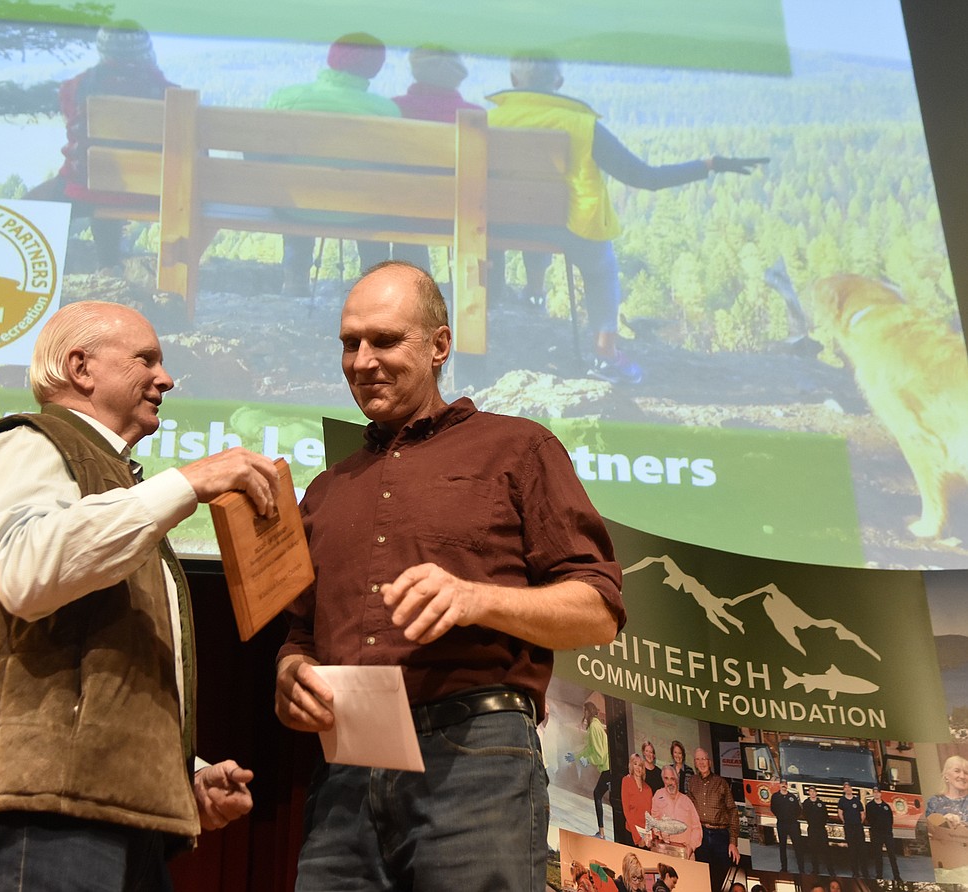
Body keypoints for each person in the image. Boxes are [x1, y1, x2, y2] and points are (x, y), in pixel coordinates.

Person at [0, 300, 281, 890]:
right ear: (81, 368)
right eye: (145, 359)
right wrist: (187, 483)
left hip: (110, 807)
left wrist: (181, 773)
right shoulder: (30, 443)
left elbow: (101, 672)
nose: (166, 378)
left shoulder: (117, 484)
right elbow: (27, 572)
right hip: (42, 807)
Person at [274, 260, 626, 890]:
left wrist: (474, 598)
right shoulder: (327, 489)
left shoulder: (519, 449)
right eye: (349, 343)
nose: (361, 360)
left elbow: (597, 608)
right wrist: (290, 672)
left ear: (439, 346)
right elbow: (303, 633)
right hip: (348, 767)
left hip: (476, 755)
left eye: (384, 340)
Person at [487, 52, 767, 384]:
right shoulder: (583, 126)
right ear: (558, 84)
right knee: (601, 268)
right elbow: (644, 177)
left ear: (514, 82)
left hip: (501, 222)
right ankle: (605, 357)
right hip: (569, 226)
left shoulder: (487, 121)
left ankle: (530, 297)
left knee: (528, 208)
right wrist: (708, 165)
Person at [27, 24, 176, 272]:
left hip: (87, 188)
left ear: (103, 51)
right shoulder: (168, 93)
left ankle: (46, 273)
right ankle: (110, 266)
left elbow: (72, 124)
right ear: (146, 51)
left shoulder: (76, 87)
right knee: (111, 184)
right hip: (152, 193)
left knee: (77, 191)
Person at [266, 33, 400, 296]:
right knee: (377, 199)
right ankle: (373, 285)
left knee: (296, 189)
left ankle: (295, 278)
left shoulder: (286, 99)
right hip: (364, 211)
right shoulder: (386, 110)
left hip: (295, 207)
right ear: (374, 68)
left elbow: (260, 157)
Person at [388, 45, 485, 272]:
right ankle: (493, 291)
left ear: (415, 71)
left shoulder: (394, 109)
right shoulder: (476, 116)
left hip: (400, 211)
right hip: (462, 214)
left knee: (406, 201)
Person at [686, 747, 740, 890]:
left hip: (720, 836)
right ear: (695, 763)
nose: (701, 762)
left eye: (704, 759)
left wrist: (733, 842)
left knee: (721, 878)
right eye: (698, 759)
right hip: (701, 835)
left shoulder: (721, 783)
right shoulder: (692, 782)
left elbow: (733, 811)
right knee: (703, 878)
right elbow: (689, 811)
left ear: (709, 762)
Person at [572, 699, 613, 839]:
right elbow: (589, 749)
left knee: (598, 794)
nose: (583, 714)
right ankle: (601, 832)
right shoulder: (594, 726)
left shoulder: (595, 727)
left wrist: (587, 760)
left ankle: (602, 833)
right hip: (607, 768)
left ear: (588, 711)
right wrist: (576, 757)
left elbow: (599, 755)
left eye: (584, 710)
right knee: (601, 795)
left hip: (608, 768)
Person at [649, 764, 703, 855]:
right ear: (663, 780)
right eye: (666, 778)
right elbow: (654, 820)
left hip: (685, 851)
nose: (669, 782)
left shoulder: (687, 800)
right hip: (665, 850)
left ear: (677, 780)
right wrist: (661, 832)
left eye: (672, 778)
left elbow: (697, 828)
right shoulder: (658, 795)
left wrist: (691, 847)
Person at [865, 786, 903, 882]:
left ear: (881, 794)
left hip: (887, 834)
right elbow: (869, 818)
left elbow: (891, 819)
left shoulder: (886, 806)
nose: (877, 794)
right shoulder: (869, 806)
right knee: (878, 855)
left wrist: (888, 830)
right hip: (876, 834)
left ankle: (897, 876)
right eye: (875, 792)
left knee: (892, 856)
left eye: (878, 792)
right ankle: (879, 875)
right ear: (873, 793)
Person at [770, 778, 805, 873]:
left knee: (798, 847)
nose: (783, 785)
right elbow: (773, 808)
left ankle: (801, 869)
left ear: (787, 785)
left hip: (793, 824)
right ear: (779, 785)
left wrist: (793, 817)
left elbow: (798, 810)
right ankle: (784, 868)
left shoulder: (792, 797)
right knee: (782, 847)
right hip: (782, 824)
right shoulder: (775, 796)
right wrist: (780, 816)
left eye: (785, 784)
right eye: (782, 784)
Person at [802, 784, 836, 875]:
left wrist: (822, 823)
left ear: (816, 793)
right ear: (808, 793)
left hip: (821, 829)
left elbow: (825, 815)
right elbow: (805, 814)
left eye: (814, 791)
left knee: (826, 850)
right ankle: (815, 870)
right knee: (813, 850)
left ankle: (831, 870)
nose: (812, 793)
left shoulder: (821, 803)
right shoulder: (806, 803)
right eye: (810, 792)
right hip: (812, 829)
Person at [621, 752, 654, 847]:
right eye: (635, 764)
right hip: (632, 833)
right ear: (631, 765)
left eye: (640, 765)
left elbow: (650, 815)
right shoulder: (626, 781)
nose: (638, 768)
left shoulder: (648, 789)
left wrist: (648, 837)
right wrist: (638, 838)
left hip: (646, 834)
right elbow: (626, 812)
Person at [836, 781, 867, 878]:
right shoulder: (842, 801)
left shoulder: (857, 800)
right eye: (845, 787)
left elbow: (862, 813)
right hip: (849, 828)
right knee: (852, 850)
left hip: (858, 827)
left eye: (849, 787)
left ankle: (865, 872)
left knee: (861, 850)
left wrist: (859, 823)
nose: (848, 789)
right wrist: (844, 821)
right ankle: (855, 872)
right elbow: (840, 812)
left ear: (851, 789)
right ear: (844, 789)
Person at [926, 754, 968, 825]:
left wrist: (963, 824)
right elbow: (927, 829)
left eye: (966, 773)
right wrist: (943, 822)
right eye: (957, 771)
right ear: (946, 776)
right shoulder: (934, 801)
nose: (962, 776)